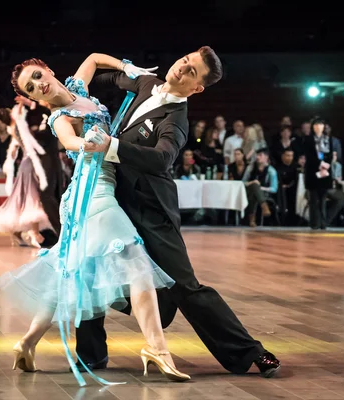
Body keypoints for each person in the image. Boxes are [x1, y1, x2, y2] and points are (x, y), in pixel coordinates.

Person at [79, 46, 281, 377]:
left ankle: (251, 353)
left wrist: (110, 146)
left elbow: (161, 159)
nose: (182, 70)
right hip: (112, 198)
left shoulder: (177, 119)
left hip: (151, 209)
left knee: (185, 287)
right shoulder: (147, 84)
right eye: (185, 61)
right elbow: (106, 76)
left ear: (197, 88)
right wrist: (75, 95)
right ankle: (90, 354)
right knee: (87, 268)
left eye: (191, 72)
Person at [0, 53, 190, 385]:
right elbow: (71, 141)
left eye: (38, 76)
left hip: (99, 191)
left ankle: (26, 342)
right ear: (33, 98)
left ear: (48, 71)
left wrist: (127, 67)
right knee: (135, 261)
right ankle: (158, 349)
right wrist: (88, 142)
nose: (39, 85)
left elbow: (94, 59)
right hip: (92, 194)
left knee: (68, 272)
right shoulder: (58, 118)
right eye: (31, 87)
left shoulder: (76, 87)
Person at [0, 107, 53, 248]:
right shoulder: (19, 126)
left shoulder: (14, 127)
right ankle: (34, 233)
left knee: (23, 198)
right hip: (29, 163)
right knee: (32, 197)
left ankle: (18, 233)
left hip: (26, 163)